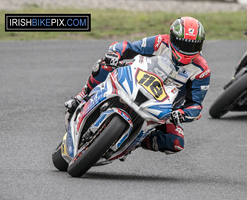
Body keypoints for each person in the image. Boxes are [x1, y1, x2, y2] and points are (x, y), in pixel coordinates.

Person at [65, 17, 211, 154]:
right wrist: (115, 53)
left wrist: (181, 114)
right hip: (138, 82)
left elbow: (196, 105)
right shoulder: (160, 42)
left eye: (193, 46)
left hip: (163, 109)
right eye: (183, 44)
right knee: (104, 65)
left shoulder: (201, 71)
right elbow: (128, 47)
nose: (187, 50)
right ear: (172, 38)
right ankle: (82, 96)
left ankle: (138, 140)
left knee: (176, 142)